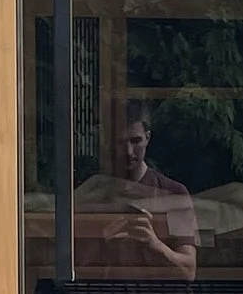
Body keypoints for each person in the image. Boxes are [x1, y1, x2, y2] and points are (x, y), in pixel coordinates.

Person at [75, 108, 198, 281]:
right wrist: (102, 242)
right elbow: (72, 267)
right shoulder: (92, 192)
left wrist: (153, 243)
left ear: (148, 138)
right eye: (120, 142)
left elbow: (189, 271)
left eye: (135, 141)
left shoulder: (174, 193)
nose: (128, 151)